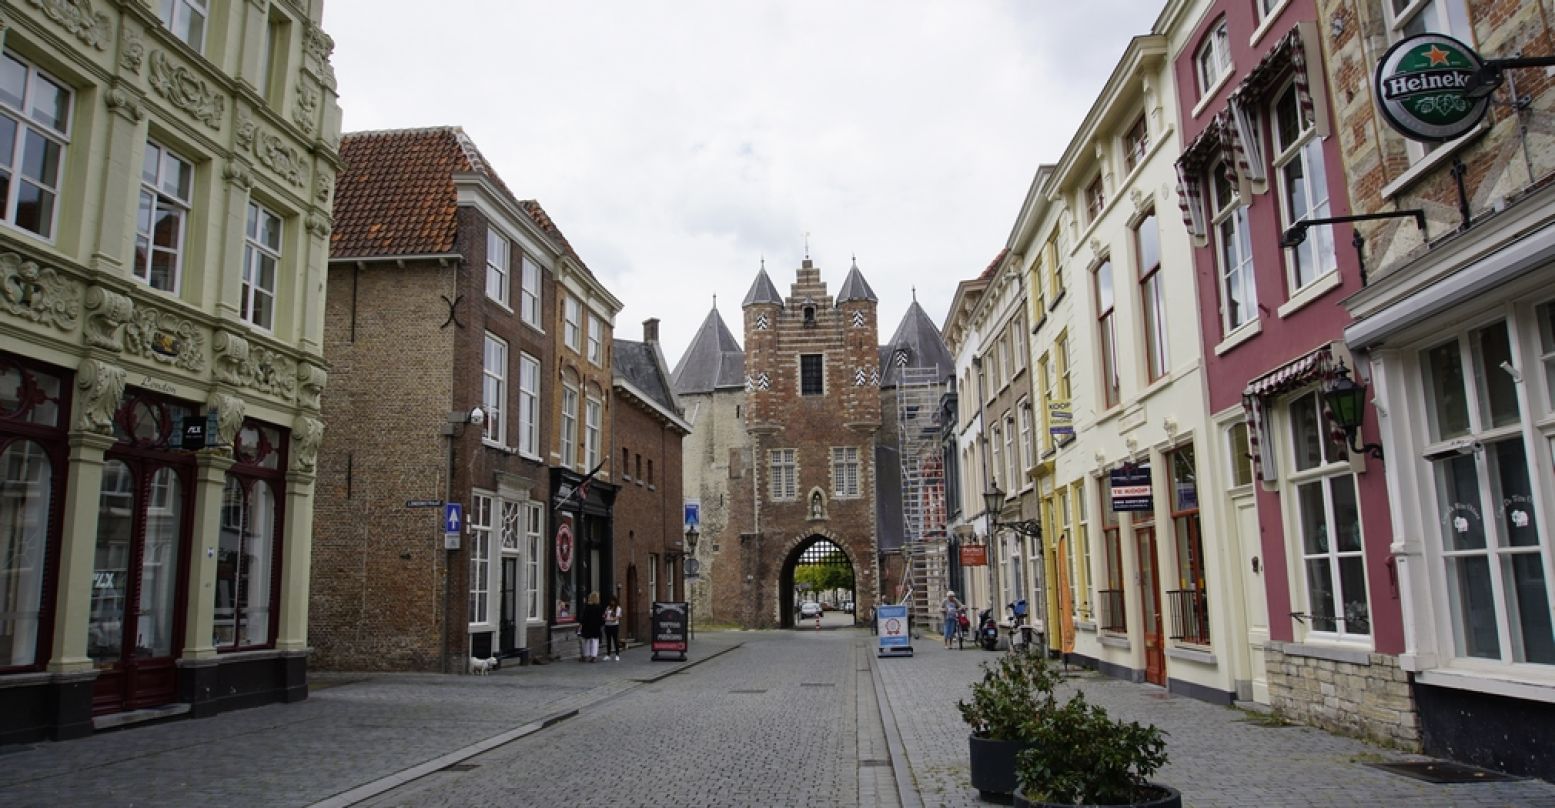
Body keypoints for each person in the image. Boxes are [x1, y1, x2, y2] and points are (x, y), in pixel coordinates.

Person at [578, 592, 605, 662]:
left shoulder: (588, 607)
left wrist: (581, 624)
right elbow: (601, 618)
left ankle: (586, 655)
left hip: (587, 626)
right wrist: (601, 624)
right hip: (596, 627)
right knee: (595, 641)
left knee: (586, 641)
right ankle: (594, 656)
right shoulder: (599, 607)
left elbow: (584, 617)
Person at [603, 595, 623, 661]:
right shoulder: (608, 608)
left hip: (614, 626)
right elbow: (605, 615)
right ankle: (608, 654)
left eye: (613, 601)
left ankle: (617, 655)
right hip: (607, 625)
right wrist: (604, 617)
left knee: (615, 640)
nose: (612, 602)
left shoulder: (618, 608)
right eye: (611, 601)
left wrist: (611, 619)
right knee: (608, 641)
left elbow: (617, 617)